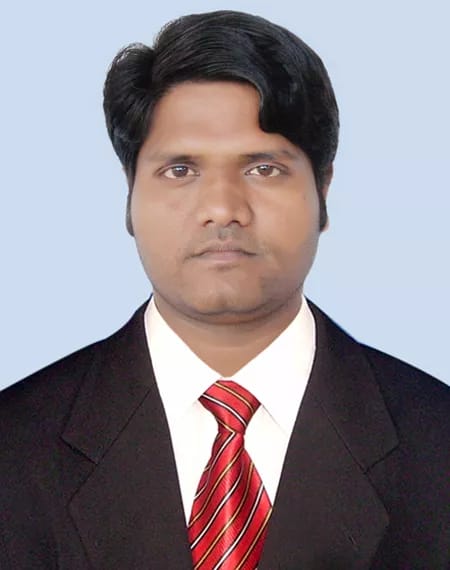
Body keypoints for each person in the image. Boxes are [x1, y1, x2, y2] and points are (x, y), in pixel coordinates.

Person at [1, 9, 449, 570]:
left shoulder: (437, 443)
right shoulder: (14, 447)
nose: (222, 209)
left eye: (263, 169)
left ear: (323, 191)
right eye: (181, 170)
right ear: (130, 194)